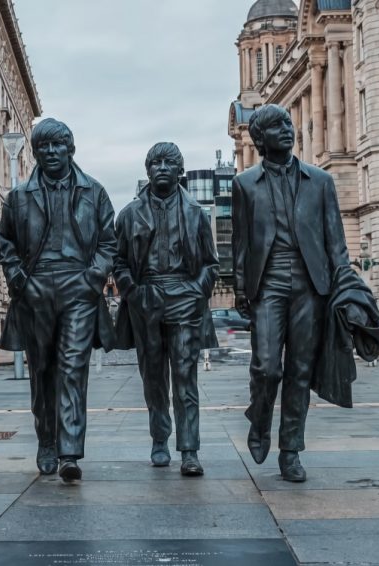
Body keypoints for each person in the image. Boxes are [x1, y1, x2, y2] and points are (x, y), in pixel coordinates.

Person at [231, 104, 353, 483]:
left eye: (287, 123)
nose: (286, 129)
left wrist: (344, 283)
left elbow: (336, 240)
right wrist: (240, 289)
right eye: (275, 126)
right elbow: (241, 243)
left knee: (300, 370)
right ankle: (260, 416)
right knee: (267, 367)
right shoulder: (245, 184)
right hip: (267, 283)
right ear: (260, 139)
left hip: (310, 284)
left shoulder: (320, 181)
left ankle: (291, 450)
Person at [0, 118, 117, 483]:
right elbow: (6, 245)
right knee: (42, 371)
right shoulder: (18, 197)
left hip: (78, 289)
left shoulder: (94, 192)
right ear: (34, 152)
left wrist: (92, 278)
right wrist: (20, 280)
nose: (51, 152)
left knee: (72, 369)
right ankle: (46, 440)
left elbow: (108, 243)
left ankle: (69, 451)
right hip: (35, 290)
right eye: (43, 147)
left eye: (58, 146)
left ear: (71, 149)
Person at [113, 142, 219, 477]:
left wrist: (196, 291)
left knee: (186, 378)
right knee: (153, 378)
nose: (161, 167)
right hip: (146, 298)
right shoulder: (129, 214)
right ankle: (160, 439)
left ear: (179, 171)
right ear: (147, 170)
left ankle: (190, 449)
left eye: (168, 162)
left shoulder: (196, 213)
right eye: (155, 162)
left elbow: (210, 264)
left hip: (184, 297)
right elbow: (118, 262)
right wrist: (133, 292)